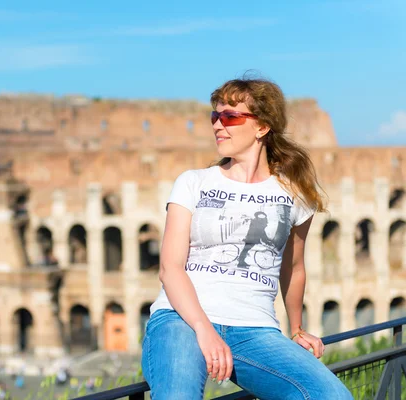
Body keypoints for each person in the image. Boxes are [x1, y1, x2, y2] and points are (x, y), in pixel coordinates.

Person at [141, 77, 353, 400]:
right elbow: (170, 268)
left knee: (332, 396)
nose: (218, 126)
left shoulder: (293, 194)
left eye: (230, 117)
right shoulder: (192, 183)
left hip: (254, 329)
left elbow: (293, 267)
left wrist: (296, 329)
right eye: (215, 116)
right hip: (182, 319)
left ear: (262, 127)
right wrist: (204, 330)